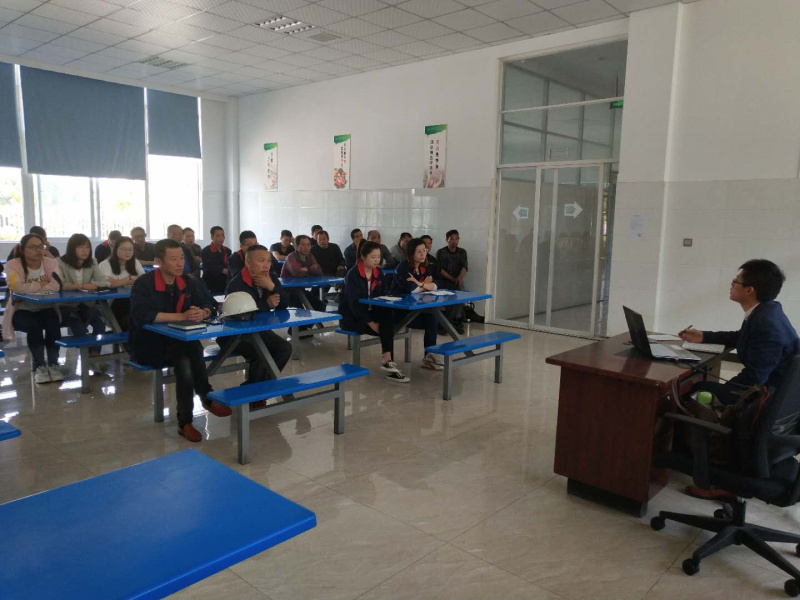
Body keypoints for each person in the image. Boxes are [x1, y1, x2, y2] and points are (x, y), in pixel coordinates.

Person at [130, 239, 231, 442]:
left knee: (190, 351)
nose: (179, 264)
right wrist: (182, 316)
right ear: (159, 261)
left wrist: (202, 312)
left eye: (182, 258)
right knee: (187, 357)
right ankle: (202, 402)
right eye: (173, 259)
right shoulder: (144, 283)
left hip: (180, 341)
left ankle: (187, 420)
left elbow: (210, 304)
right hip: (149, 344)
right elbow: (143, 315)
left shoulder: (189, 281)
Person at [680, 260, 800, 406]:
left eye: (735, 281)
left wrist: (724, 390)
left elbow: (754, 379)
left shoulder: (766, 324)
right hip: (772, 389)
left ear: (749, 290)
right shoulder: (767, 311)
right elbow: (741, 336)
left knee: (696, 388)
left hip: (769, 399)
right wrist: (704, 336)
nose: (731, 284)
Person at [222, 245, 292, 395]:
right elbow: (240, 316)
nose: (267, 265)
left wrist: (272, 287)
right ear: (248, 263)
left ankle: (255, 391)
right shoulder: (237, 284)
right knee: (260, 353)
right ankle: (255, 394)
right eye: (261, 261)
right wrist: (266, 305)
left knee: (285, 348)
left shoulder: (270, 278)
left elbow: (285, 303)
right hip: (234, 335)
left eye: (268, 261)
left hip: (259, 331)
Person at [339, 240, 409, 383]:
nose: (377, 260)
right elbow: (354, 305)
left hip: (371, 313)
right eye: (373, 257)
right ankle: (388, 362)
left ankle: (387, 359)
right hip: (352, 317)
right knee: (387, 328)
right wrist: (371, 323)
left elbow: (383, 297)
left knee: (387, 318)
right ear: (363, 257)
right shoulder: (353, 275)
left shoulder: (379, 273)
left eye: (379, 257)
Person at [2, 233, 64, 383]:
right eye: (33, 247)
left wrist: (29, 286)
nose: (38, 250)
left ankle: (53, 363)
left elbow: (57, 285)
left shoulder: (51, 263)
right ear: (22, 249)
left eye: (40, 247)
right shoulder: (12, 265)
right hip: (21, 309)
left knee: (53, 322)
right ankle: (39, 365)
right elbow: (16, 287)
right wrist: (41, 284)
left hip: (45, 307)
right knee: (34, 325)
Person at [390, 238, 443, 371]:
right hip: (400, 310)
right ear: (411, 253)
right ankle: (429, 356)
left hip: (416, 308)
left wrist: (420, 284)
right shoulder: (403, 268)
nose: (423, 254)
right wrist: (425, 285)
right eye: (419, 251)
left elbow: (436, 285)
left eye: (424, 250)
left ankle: (429, 356)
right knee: (431, 319)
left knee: (433, 317)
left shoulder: (424, 267)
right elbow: (411, 289)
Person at [58, 233, 108, 360]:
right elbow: (60, 285)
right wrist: (84, 285)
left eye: (87, 247)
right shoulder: (60, 262)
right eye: (81, 247)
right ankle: (88, 357)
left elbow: (102, 281)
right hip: (66, 305)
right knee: (78, 325)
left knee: (100, 323)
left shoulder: (92, 262)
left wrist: (82, 286)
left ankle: (94, 354)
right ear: (72, 248)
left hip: (86, 303)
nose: (85, 251)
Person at [98, 236, 144, 331]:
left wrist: (119, 281)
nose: (127, 252)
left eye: (130, 250)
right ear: (115, 250)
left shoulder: (135, 262)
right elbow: (109, 284)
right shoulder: (105, 264)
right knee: (126, 305)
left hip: (131, 300)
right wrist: (130, 278)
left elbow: (143, 280)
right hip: (111, 302)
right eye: (124, 249)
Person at [281, 235, 326, 312]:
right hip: (288, 292)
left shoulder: (310, 256)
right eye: (303, 245)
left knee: (320, 306)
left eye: (308, 245)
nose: (306, 247)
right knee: (300, 311)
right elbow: (297, 273)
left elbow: (319, 272)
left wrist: (306, 269)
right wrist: (311, 270)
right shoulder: (291, 257)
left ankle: (312, 320)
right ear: (297, 246)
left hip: (300, 290)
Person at [436, 229, 469, 334]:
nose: (454, 241)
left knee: (460, 290)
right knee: (456, 291)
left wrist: (459, 278)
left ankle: (455, 319)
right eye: (452, 239)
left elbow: (464, 267)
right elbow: (440, 270)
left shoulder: (462, 252)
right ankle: (451, 322)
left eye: (456, 239)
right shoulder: (441, 252)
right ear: (447, 240)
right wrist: (453, 279)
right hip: (444, 280)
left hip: (457, 280)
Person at [200, 226, 231, 295]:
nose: (221, 238)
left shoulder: (227, 251)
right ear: (212, 237)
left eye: (222, 236)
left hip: (225, 283)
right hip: (211, 283)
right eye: (218, 236)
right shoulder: (205, 251)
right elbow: (210, 267)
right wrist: (223, 270)